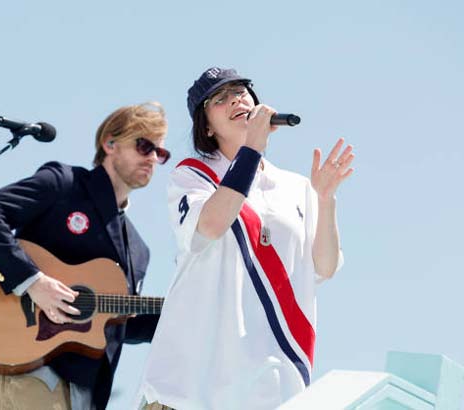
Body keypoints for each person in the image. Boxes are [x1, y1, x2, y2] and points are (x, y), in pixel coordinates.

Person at [136, 68, 354, 409]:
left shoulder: (297, 187)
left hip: (269, 391)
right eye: (219, 99)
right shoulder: (193, 175)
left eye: (241, 92)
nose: (236, 100)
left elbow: (324, 268)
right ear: (206, 126)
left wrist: (325, 200)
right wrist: (251, 148)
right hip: (188, 391)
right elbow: (210, 225)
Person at [0, 102, 170, 410]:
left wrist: (181, 316)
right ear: (109, 143)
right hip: (28, 369)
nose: (153, 158)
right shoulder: (64, 183)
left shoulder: (139, 250)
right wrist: (34, 282)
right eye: (144, 146)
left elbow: (117, 323)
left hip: (84, 389)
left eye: (160, 153)